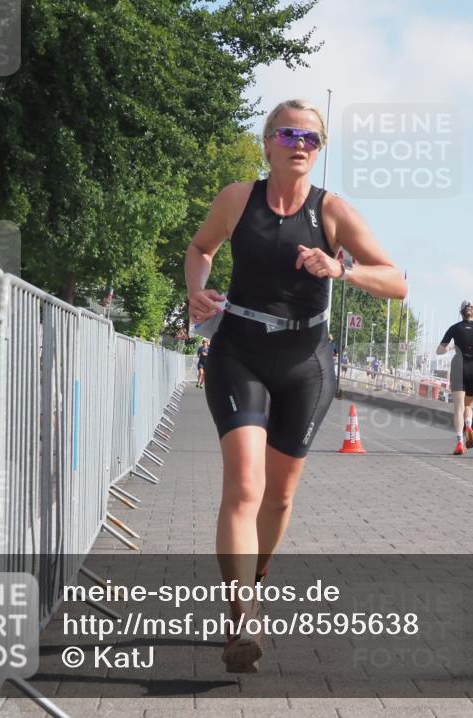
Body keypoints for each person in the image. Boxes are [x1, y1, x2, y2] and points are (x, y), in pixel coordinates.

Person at [185, 99, 407, 673]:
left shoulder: (331, 211)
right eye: (288, 133)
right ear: (268, 142)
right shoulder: (238, 199)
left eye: (311, 137)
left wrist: (342, 270)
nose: (299, 143)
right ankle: (240, 618)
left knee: (280, 497)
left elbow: (396, 281)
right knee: (245, 487)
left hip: (307, 361)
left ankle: (255, 577)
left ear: (320, 147)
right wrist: (198, 290)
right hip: (240, 352)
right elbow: (200, 248)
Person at [436, 301, 473, 455]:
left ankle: (460, 443)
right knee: (468, 406)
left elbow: (439, 351)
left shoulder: (454, 328)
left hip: (458, 365)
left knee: (458, 408)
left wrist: (450, 347)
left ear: (461, 312)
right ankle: (468, 424)